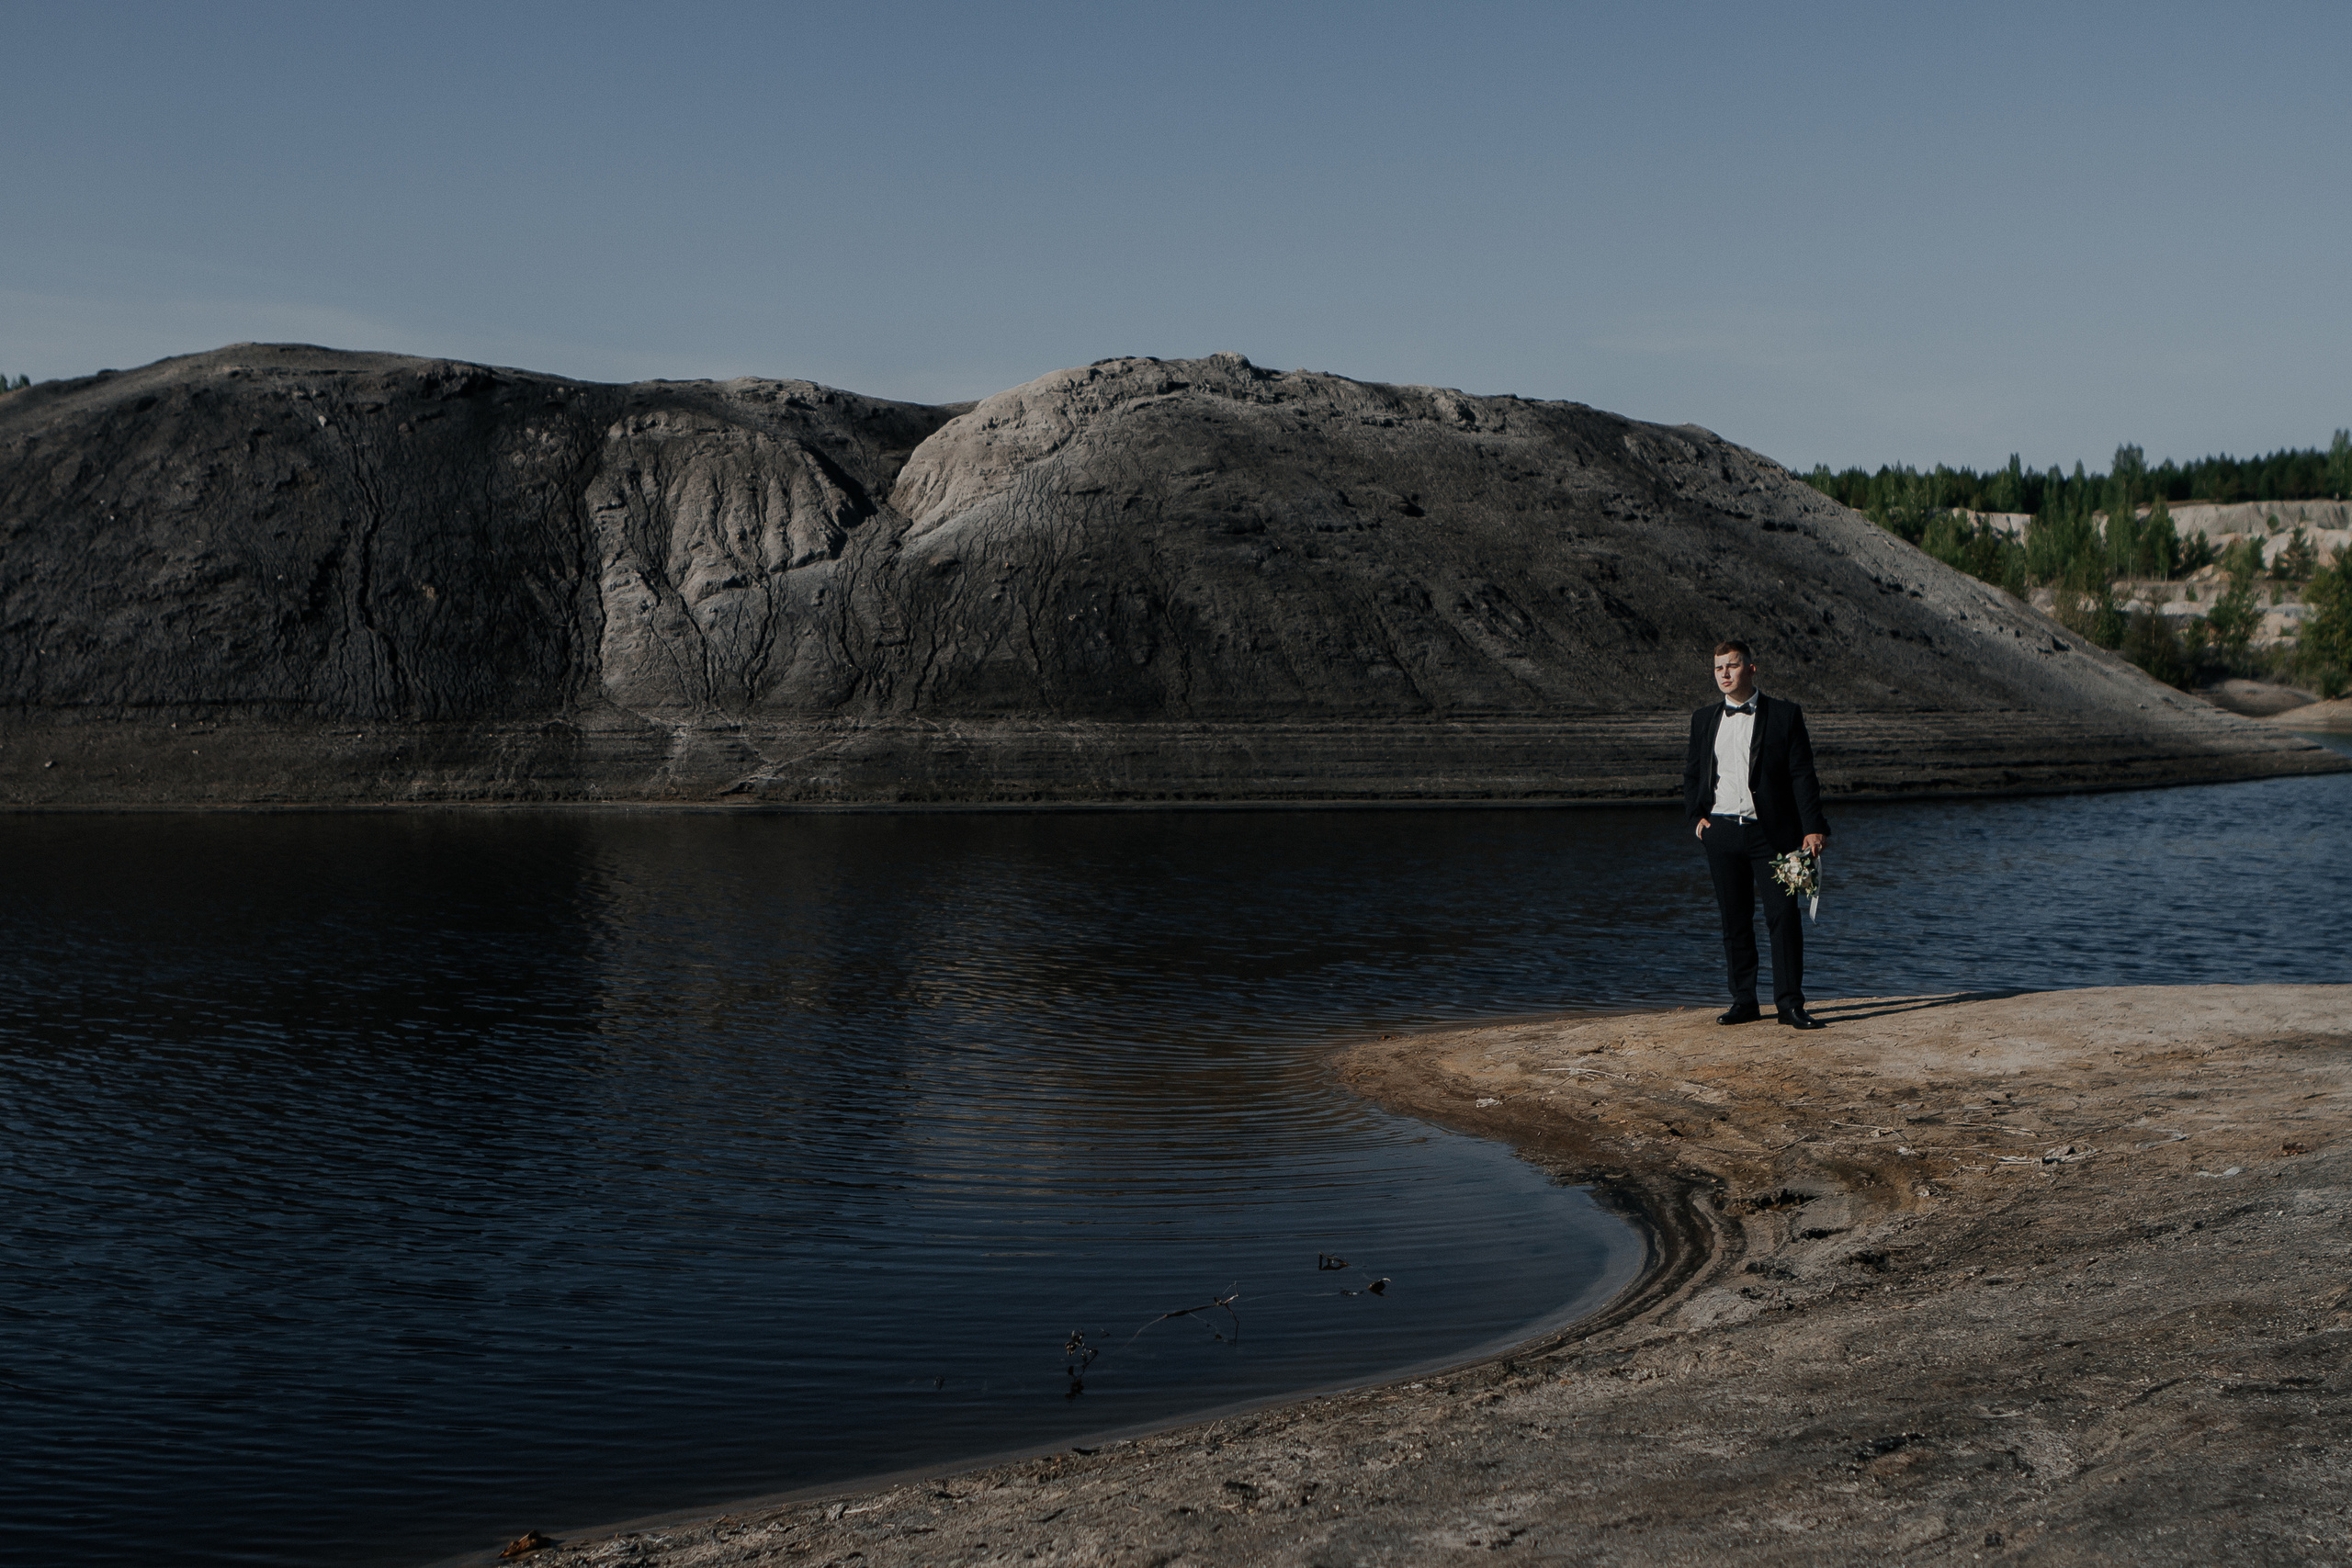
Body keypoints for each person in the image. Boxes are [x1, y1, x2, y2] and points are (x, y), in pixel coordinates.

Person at [1682, 640, 1830, 1029]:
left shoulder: (1784, 715)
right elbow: (1693, 775)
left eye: (1732, 666)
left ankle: (1790, 1005)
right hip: (1722, 832)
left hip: (1774, 834)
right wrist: (1697, 818)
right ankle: (1744, 1001)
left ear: (1751, 668)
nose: (1725, 674)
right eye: (1718, 668)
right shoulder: (1703, 719)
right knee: (1734, 920)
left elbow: (1802, 775)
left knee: (1783, 917)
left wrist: (1813, 826)